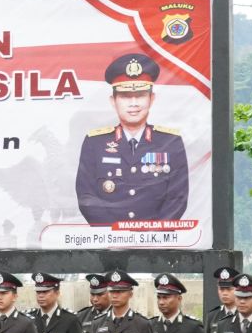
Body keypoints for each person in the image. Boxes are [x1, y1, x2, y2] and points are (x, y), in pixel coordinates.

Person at [75, 52, 189, 225]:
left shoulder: (171, 143)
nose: (133, 103)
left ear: (151, 99)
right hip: (109, 243)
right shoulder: (94, 143)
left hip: (156, 246)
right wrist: (116, 234)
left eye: (141, 95)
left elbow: (177, 198)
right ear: (113, 101)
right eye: (126, 97)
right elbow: (87, 197)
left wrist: (151, 236)